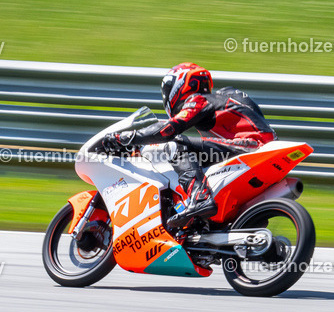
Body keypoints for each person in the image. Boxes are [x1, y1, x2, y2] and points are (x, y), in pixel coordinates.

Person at [104, 62, 276, 229]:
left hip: (249, 146)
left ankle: (199, 197)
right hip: (255, 150)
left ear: (182, 84)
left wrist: (128, 137)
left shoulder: (199, 99)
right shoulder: (224, 100)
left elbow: (168, 129)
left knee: (175, 144)